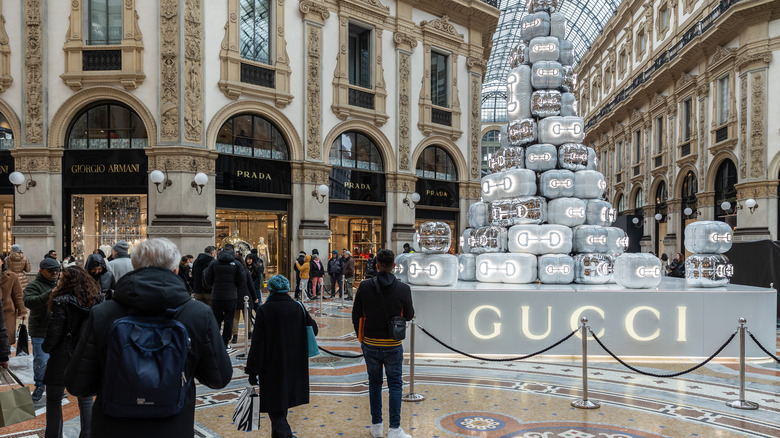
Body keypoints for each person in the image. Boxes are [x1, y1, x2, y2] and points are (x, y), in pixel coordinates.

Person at [65, 238, 233, 438]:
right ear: (176, 270)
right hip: (173, 426)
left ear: (134, 267)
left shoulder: (103, 313)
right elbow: (219, 378)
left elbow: (78, 384)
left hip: (113, 427)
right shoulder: (198, 314)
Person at [352, 249, 415, 438]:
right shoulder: (403, 289)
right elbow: (410, 315)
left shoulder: (364, 286)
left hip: (370, 342)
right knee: (395, 384)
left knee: (374, 383)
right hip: (393, 344)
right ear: (394, 266)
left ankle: (376, 426)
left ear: (376, 265)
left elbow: (356, 315)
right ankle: (394, 429)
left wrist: (361, 338)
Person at [245, 275, 317, 438]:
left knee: (274, 405)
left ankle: (287, 435)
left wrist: (252, 370)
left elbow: (258, 343)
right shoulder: (297, 307)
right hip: (294, 364)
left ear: (270, 289)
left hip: (272, 366)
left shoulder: (264, 310)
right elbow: (314, 330)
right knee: (280, 403)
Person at [42, 266, 103, 438]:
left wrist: (47, 347)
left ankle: (54, 435)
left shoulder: (61, 301)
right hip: (86, 353)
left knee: (54, 398)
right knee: (85, 398)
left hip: (62, 354)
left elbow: (54, 332)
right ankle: (88, 434)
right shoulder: (96, 299)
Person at [23, 258, 61, 401]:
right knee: (41, 360)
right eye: (51, 270)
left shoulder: (59, 284)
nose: (55, 273)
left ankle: (56, 386)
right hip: (40, 330)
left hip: (57, 329)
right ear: (41, 271)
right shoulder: (34, 285)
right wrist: (51, 293)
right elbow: (29, 302)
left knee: (56, 360)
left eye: (57, 269)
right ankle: (39, 385)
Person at [203, 243, 247, 349]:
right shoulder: (237, 264)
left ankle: (216, 342)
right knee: (229, 320)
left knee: (217, 319)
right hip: (231, 295)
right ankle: (225, 342)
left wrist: (213, 286)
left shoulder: (214, 264)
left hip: (216, 295)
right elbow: (242, 279)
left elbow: (207, 278)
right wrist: (234, 286)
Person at [232, 258, 258, 344]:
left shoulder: (232, 271)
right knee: (247, 315)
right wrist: (255, 297)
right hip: (245, 295)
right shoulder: (245, 270)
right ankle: (249, 333)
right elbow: (251, 285)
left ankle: (235, 335)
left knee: (235, 317)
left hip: (234, 296)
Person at [1, 256, 25, 345]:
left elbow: (18, 295)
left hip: (7, 311)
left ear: (2, 262)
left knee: (5, 340)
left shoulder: (12, 276)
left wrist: (22, 311)